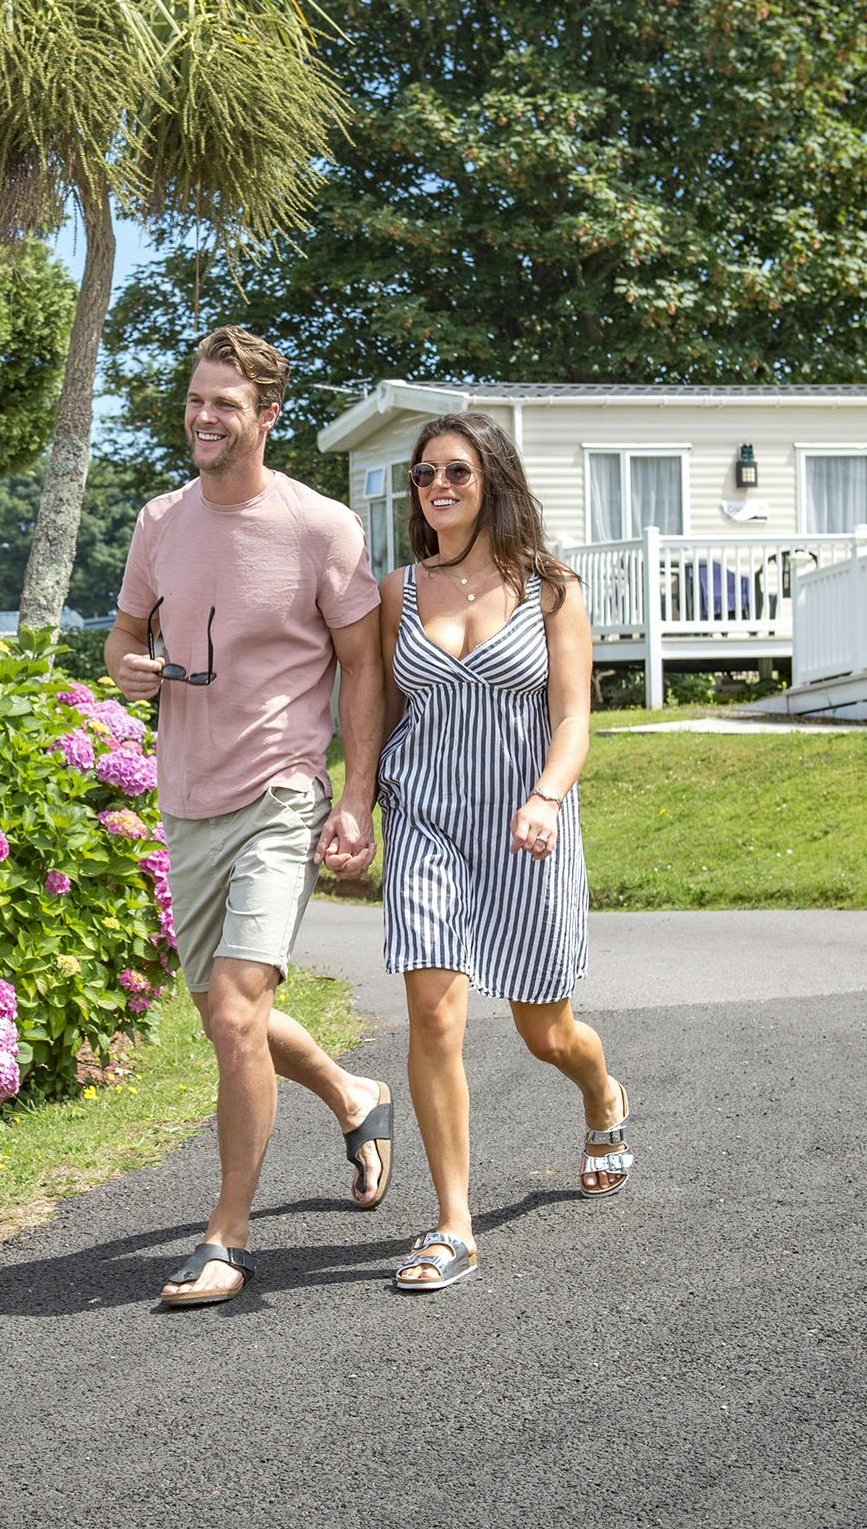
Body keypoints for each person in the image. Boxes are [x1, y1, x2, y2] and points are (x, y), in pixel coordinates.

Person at [107, 325, 393, 1309]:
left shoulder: (321, 528)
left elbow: (363, 667)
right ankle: (353, 1093)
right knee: (227, 1016)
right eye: (195, 400)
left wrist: (353, 797)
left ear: (267, 416)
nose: (203, 417)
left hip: (282, 790)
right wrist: (127, 666)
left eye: (223, 404)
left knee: (236, 1010)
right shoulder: (159, 520)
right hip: (187, 796)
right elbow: (123, 634)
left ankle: (225, 1236)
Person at [374, 411, 633, 1294]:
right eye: (424, 474)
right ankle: (453, 1224)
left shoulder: (550, 588)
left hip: (527, 826)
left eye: (456, 471)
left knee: (545, 1032)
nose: (437, 486)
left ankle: (602, 1094)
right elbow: (380, 710)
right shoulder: (397, 592)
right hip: (425, 818)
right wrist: (354, 801)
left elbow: (573, 717)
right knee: (433, 1014)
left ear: (494, 482)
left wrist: (547, 796)